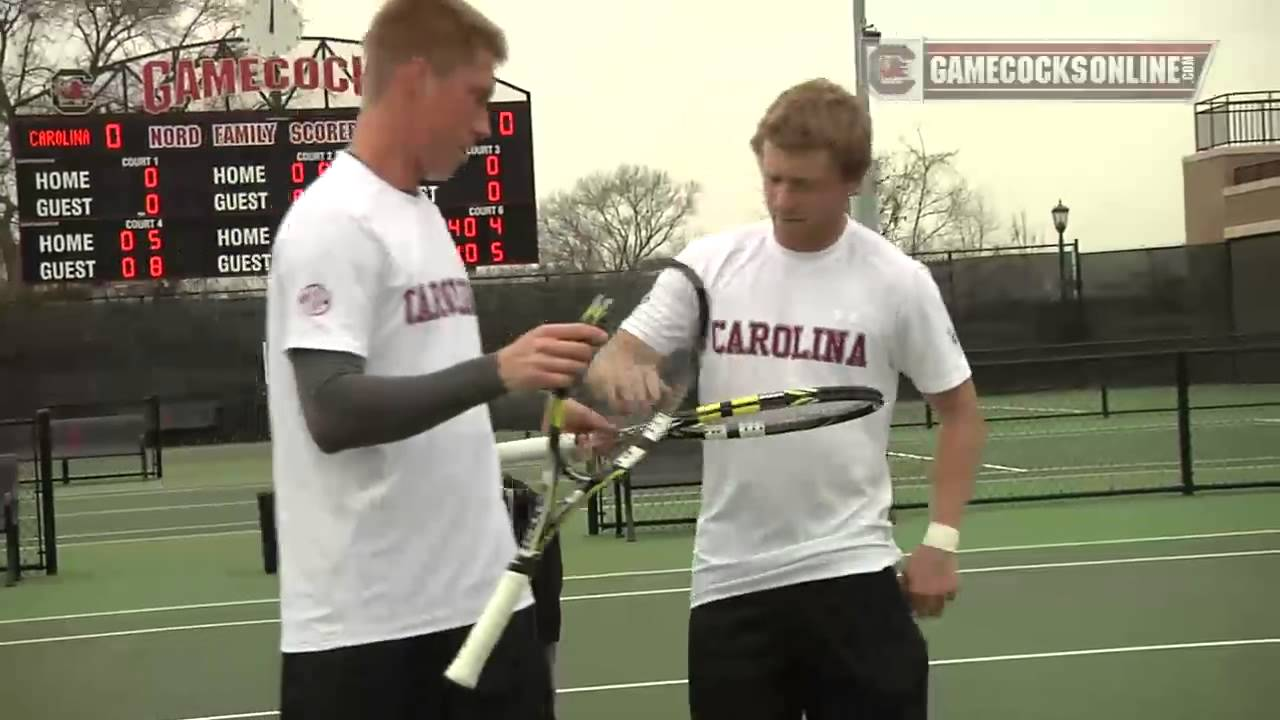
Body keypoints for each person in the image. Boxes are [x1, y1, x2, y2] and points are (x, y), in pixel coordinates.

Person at [587, 78, 987, 719]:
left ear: (851, 181)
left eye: (801, 184)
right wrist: (625, 374)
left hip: (853, 572)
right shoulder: (710, 265)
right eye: (771, 178)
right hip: (730, 584)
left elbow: (962, 413)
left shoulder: (898, 282)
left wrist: (941, 540)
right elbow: (615, 357)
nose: (780, 198)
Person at [264, 1, 611, 718]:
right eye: (477, 96)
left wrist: (542, 406)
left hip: (484, 606)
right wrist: (497, 371)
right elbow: (330, 408)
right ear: (418, 79)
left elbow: (433, 380)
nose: (485, 125)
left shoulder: (421, 216)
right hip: (368, 637)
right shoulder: (333, 223)